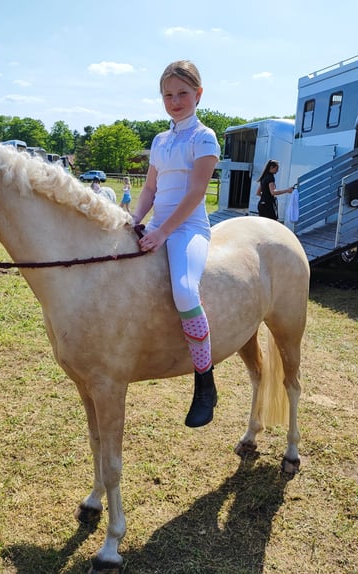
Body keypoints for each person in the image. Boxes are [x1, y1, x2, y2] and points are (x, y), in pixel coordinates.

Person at [132, 60, 220, 428]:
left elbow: (196, 192)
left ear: (198, 94)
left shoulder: (204, 137)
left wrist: (163, 232)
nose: (175, 101)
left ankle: (205, 383)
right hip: (156, 224)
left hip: (188, 229)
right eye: (168, 95)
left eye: (183, 93)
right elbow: (150, 188)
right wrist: (133, 221)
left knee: (185, 291)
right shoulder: (160, 140)